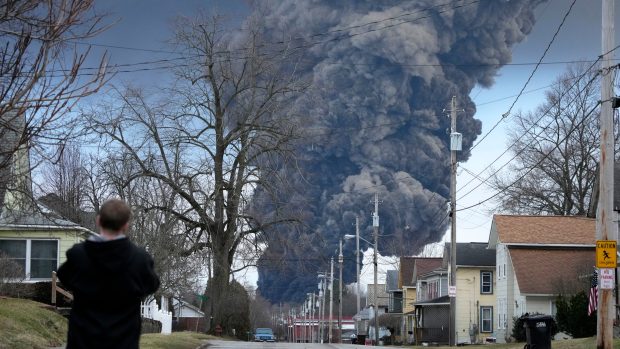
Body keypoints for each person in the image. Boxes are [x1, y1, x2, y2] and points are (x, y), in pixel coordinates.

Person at [57, 199, 160, 349]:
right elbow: (151, 285)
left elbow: (64, 276)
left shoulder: (78, 256)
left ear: (98, 221)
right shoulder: (140, 260)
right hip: (123, 342)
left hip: (83, 341)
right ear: (126, 225)